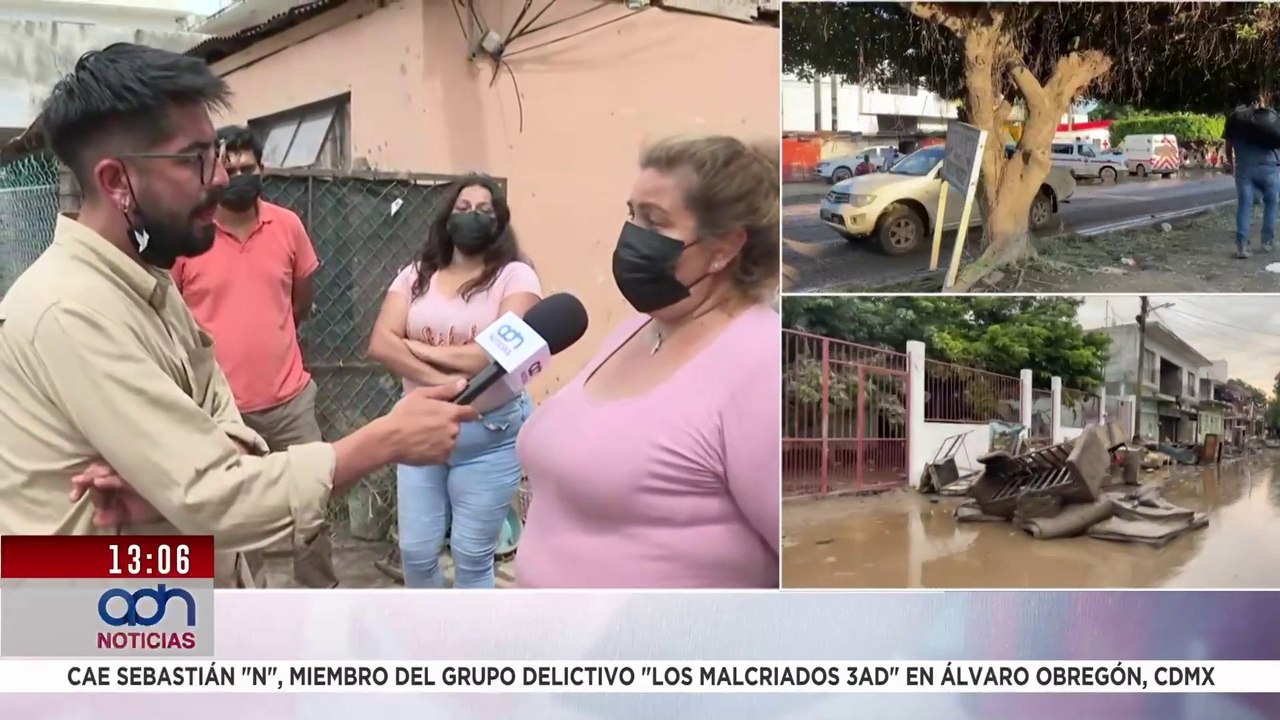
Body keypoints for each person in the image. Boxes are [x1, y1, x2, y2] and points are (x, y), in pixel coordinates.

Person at [0, 42, 476, 586]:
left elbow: (216, 436)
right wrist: (386, 440)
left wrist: (171, 482)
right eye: (195, 159)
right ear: (116, 182)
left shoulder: (147, 280)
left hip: (170, 604)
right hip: (95, 626)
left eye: (219, 157)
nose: (221, 178)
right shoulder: (71, 310)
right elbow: (216, 499)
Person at [513, 135, 781, 588]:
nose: (632, 236)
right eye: (632, 214)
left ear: (724, 248)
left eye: (655, 223)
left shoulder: (761, 364)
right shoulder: (635, 329)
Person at [169, 125, 336, 588]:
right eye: (231, 167)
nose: (240, 175)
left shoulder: (287, 226)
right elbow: (174, 320)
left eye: (249, 167)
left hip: (290, 403)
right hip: (222, 414)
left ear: (263, 169)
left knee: (313, 507)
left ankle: (319, 599)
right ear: (213, 172)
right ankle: (249, 609)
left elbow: (300, 301)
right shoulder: (190, 237)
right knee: (237, 522)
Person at [368, 175, 541, 589]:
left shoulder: (516, 278)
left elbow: (494, 353)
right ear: (447, 219)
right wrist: (449, 386)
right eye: (463, 209)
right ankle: (427, 643)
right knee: (416, 551)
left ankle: (470, 645)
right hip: (418, 430)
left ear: (499, 222)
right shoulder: (415, 275)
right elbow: (380, 343)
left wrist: (413, 347)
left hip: (489, 436)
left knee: (471, 553)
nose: (473, 216)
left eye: (484, 210)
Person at [1223, 86, 1280, 258]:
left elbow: (1228, 146)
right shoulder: (1266, 120)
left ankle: (1242, 246)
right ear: (1257, 102)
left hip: (1244, 169)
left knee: (1244, 205)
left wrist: (1232, 165)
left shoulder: (1235, 121)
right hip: (1269, 168)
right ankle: (1267, 241)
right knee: (1271, 203)